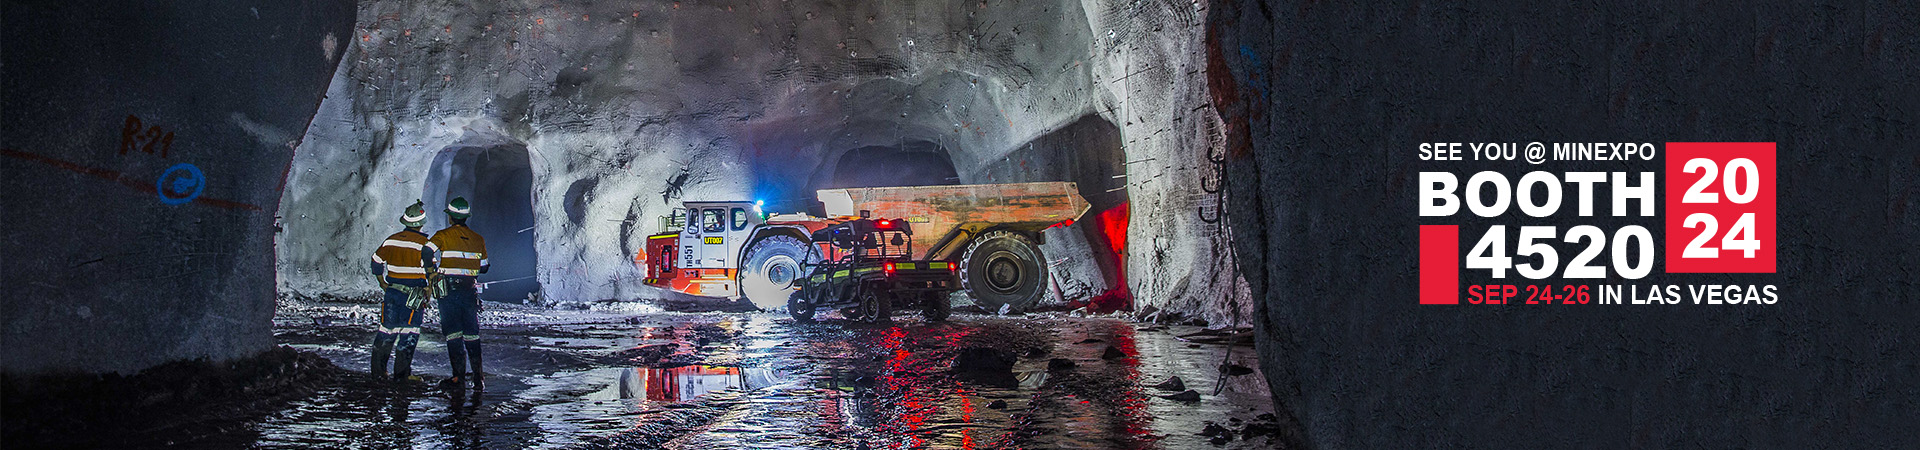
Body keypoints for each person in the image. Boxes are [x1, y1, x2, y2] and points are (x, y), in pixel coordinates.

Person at [425, 197, 489, 390]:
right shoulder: (478, 239)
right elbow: (485, 267)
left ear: (451, 218)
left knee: (453, 332)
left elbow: (426, 252)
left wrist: (432, 271)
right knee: (472, 333)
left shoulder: (443, 235)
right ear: (466, 217)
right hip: (469, 290)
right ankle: (478, 379)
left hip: (449, 290)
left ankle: (458, 378)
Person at [369, 201, 433, 382]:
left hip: (392, 292)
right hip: (414, 293)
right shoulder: (425, 244)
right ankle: (402, 375)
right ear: (421, 223)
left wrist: (382, 282)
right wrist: (429, 290)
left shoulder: (391, 240)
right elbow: (431, 271)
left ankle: (378, 373)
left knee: (386, 331)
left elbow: (376, 261)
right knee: (409, 333)